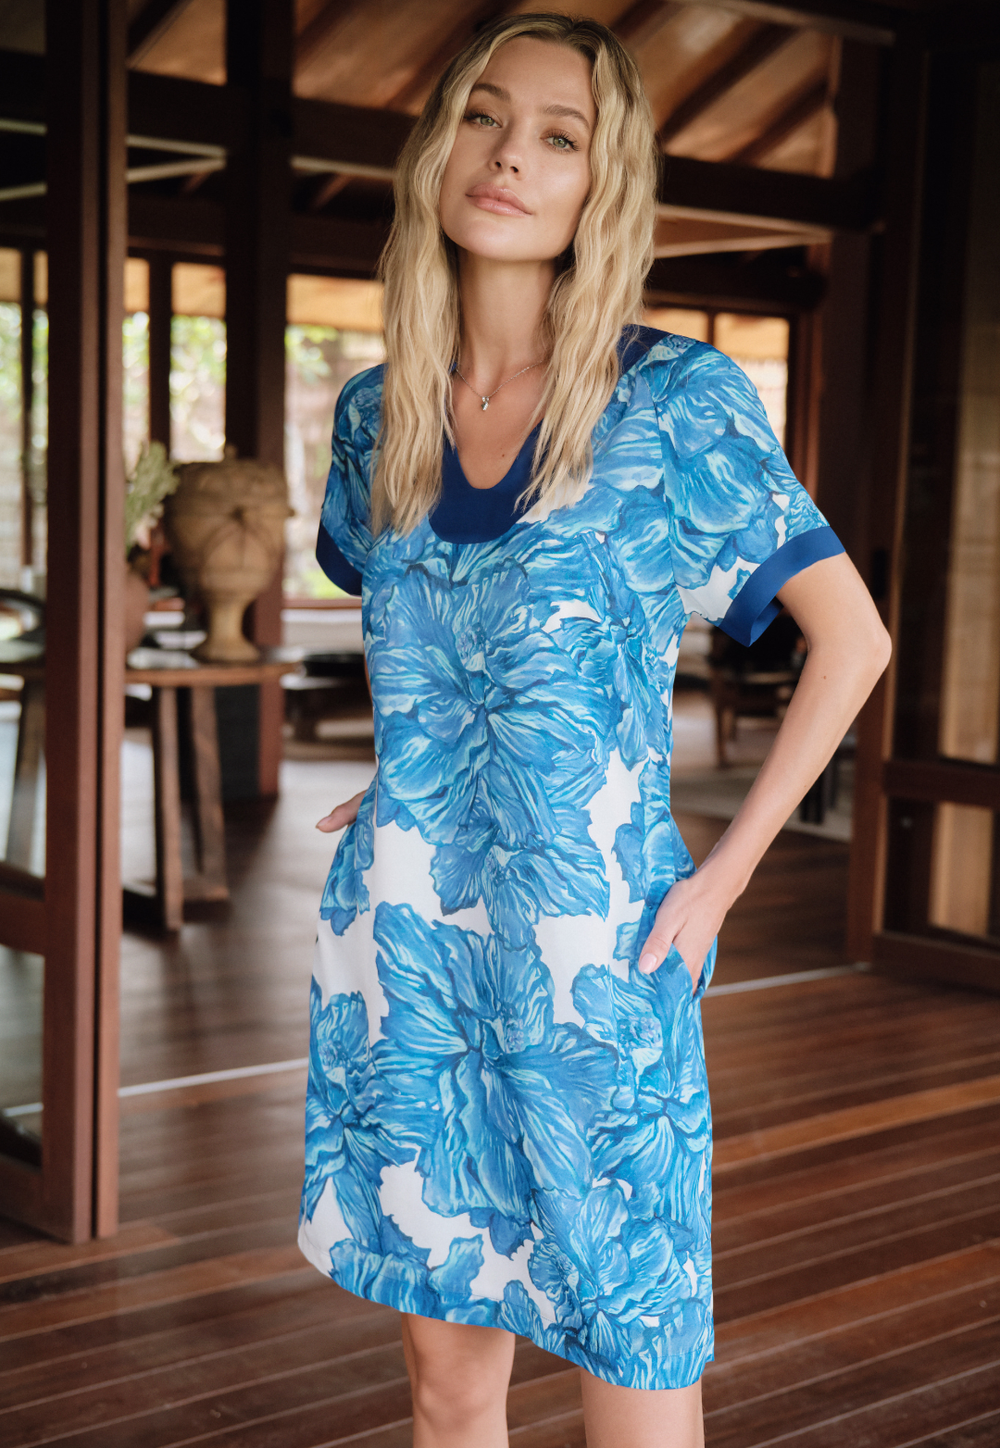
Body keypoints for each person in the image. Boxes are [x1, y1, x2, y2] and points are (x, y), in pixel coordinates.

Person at [298, 14, 891, 1447]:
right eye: (485, 117)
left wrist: (724, 877)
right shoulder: (376, 415)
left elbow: (854, 640)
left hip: (600, 952)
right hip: (412, 947)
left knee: (633, 1362)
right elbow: (436, 642)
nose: (511, 157)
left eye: (558, 137)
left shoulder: (676, 402)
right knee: (447, 1389)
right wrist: (420, 770)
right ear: (438, 145)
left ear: (599, 185)